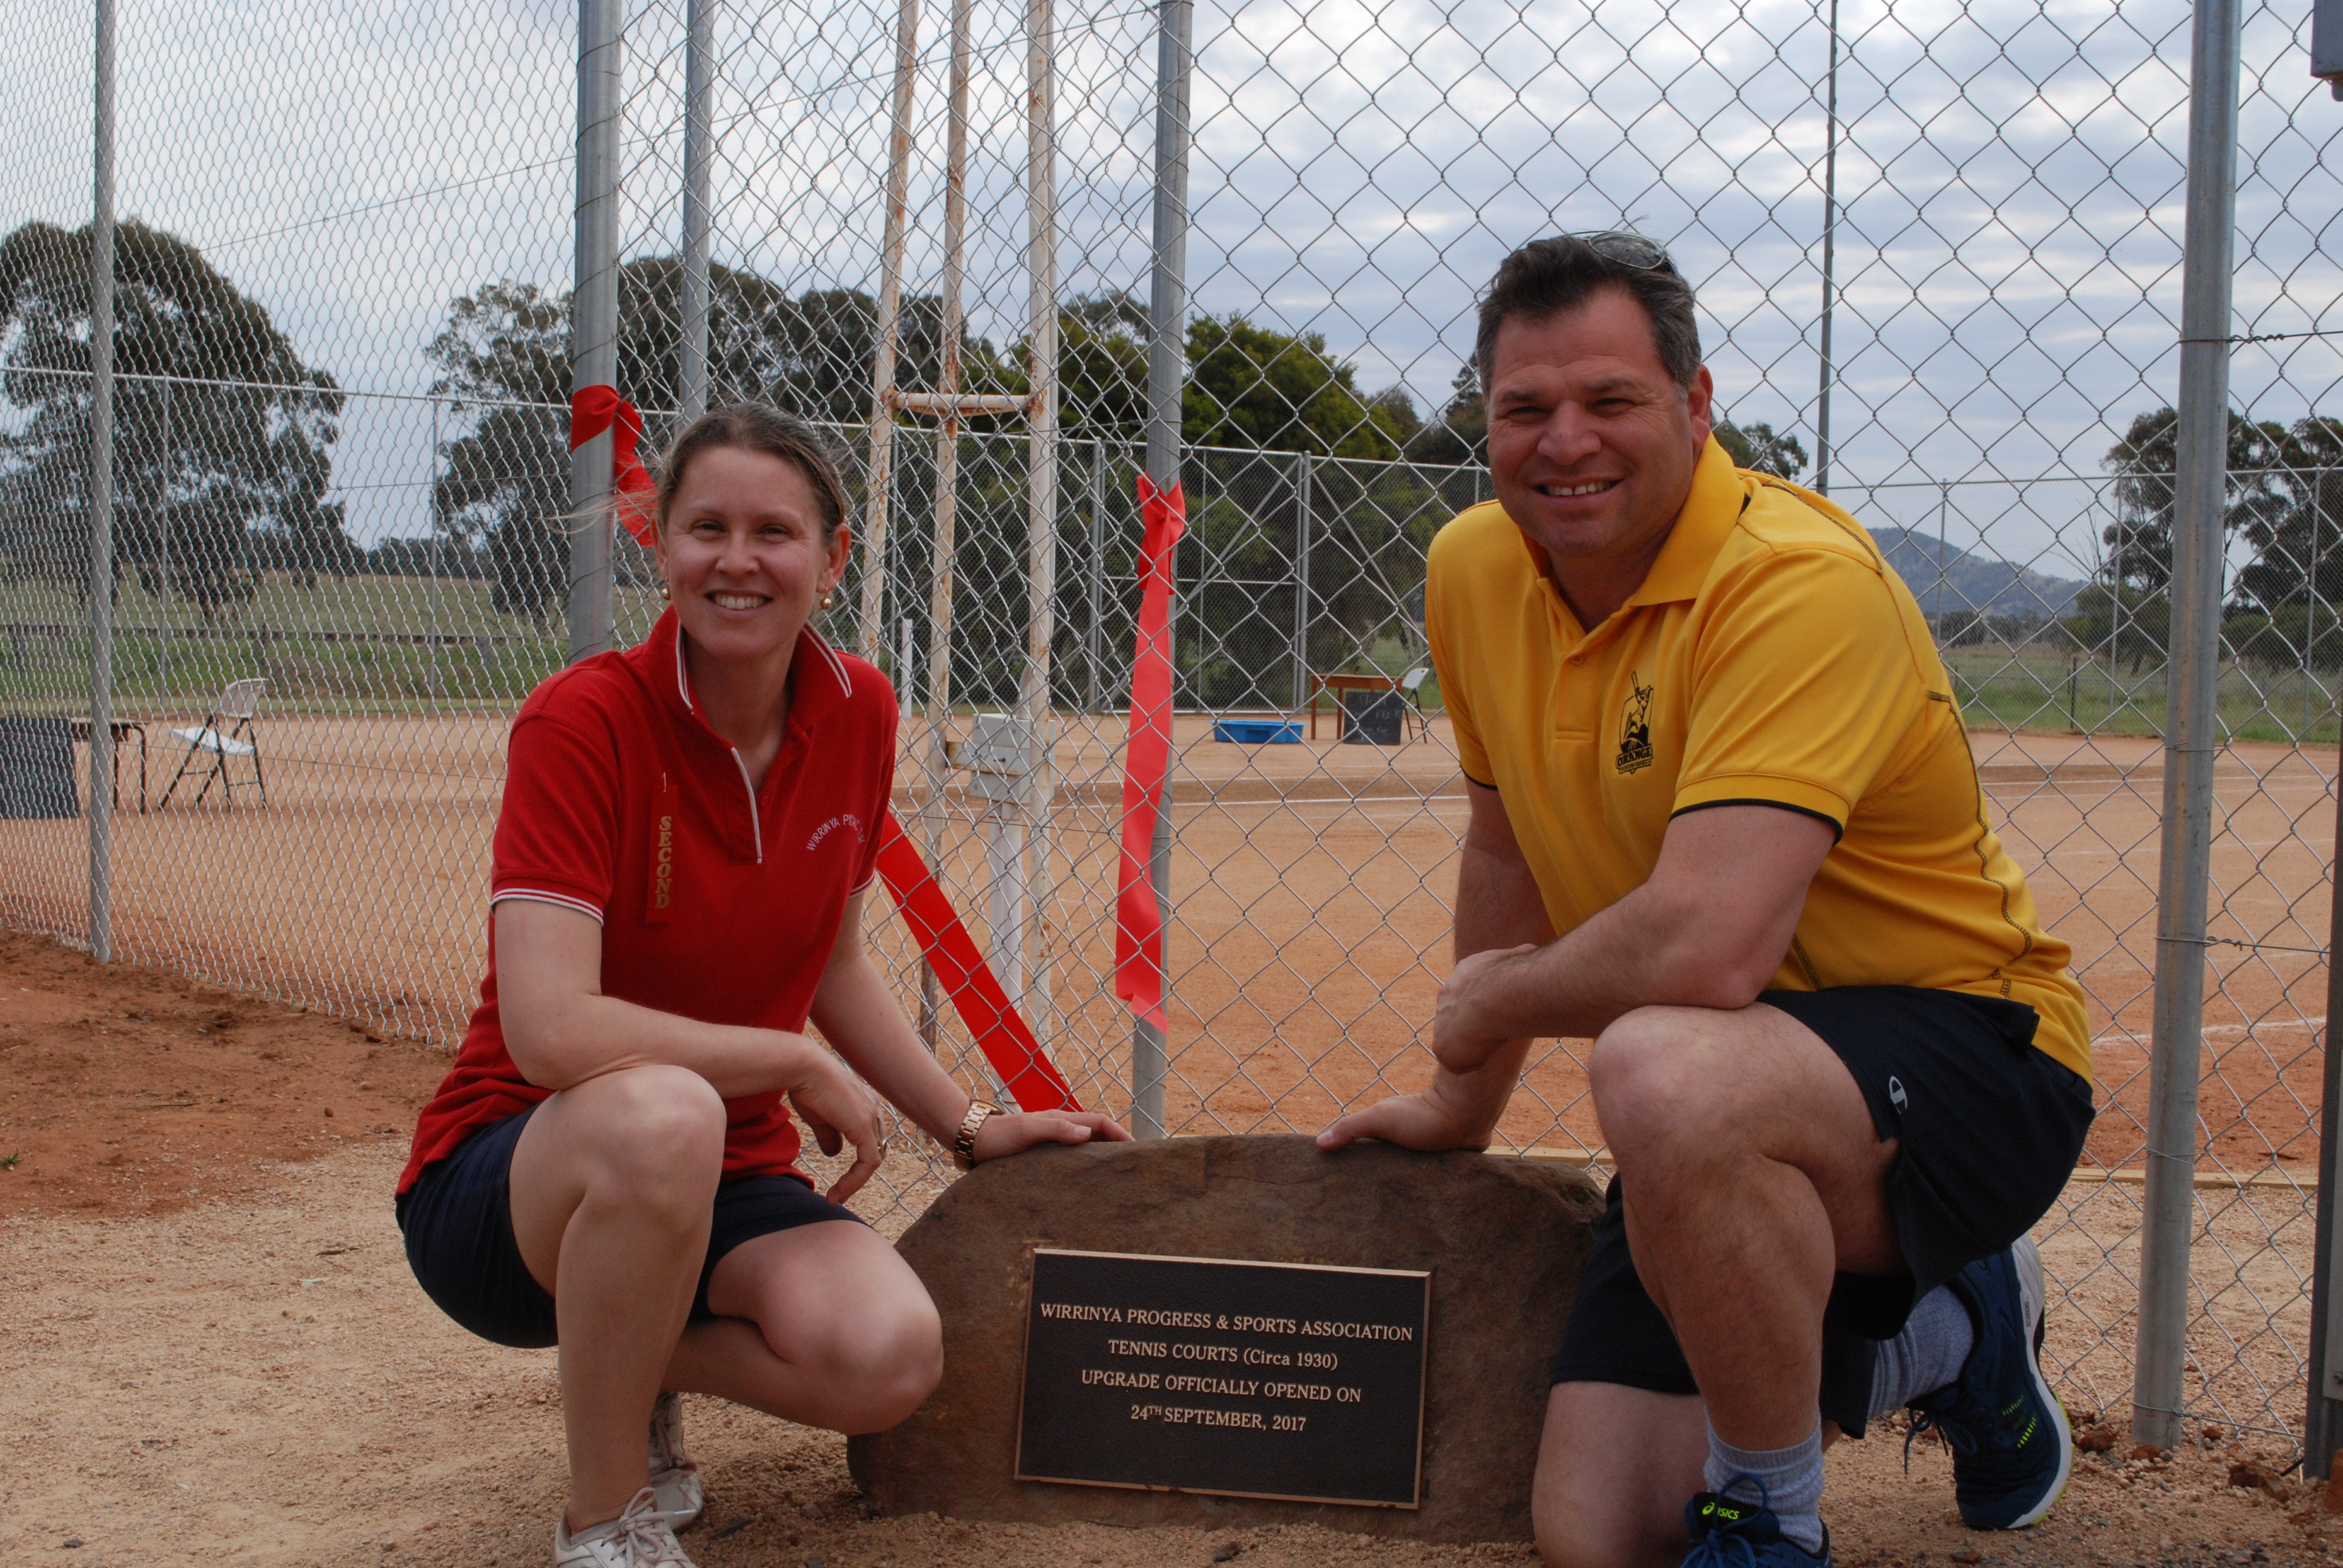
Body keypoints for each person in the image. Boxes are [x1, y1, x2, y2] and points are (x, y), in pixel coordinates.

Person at [1318, 235, 2094, 1568]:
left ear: (1694, 404)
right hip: (1728, 1090)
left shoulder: (1794, 581)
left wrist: (1492, 1002)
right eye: (1524, 408)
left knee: (1662, 1066)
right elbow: (1505, 847)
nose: (1566, 442)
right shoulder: (1473, 566)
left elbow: (1708, 947)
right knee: (1603, 1530)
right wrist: (1462, 1100)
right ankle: (1954, 1332)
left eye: (1609, 399)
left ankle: (1768, 1519)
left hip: (1969, 1051)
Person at [395, 402, 1128, 1568]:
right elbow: (548, 1031)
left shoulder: (862, 710)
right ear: (659, 543)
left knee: (888, 1356)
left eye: (774, 533)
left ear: (833, 560)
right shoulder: (582, 720)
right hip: (519, 1182)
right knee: (667, 1111)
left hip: (722, 1172)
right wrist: (787, 1059)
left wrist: (969, 1126)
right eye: (708, 529)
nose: (737, 561)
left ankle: (626, 1346)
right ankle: (607, 1518)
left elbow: (834, 964)